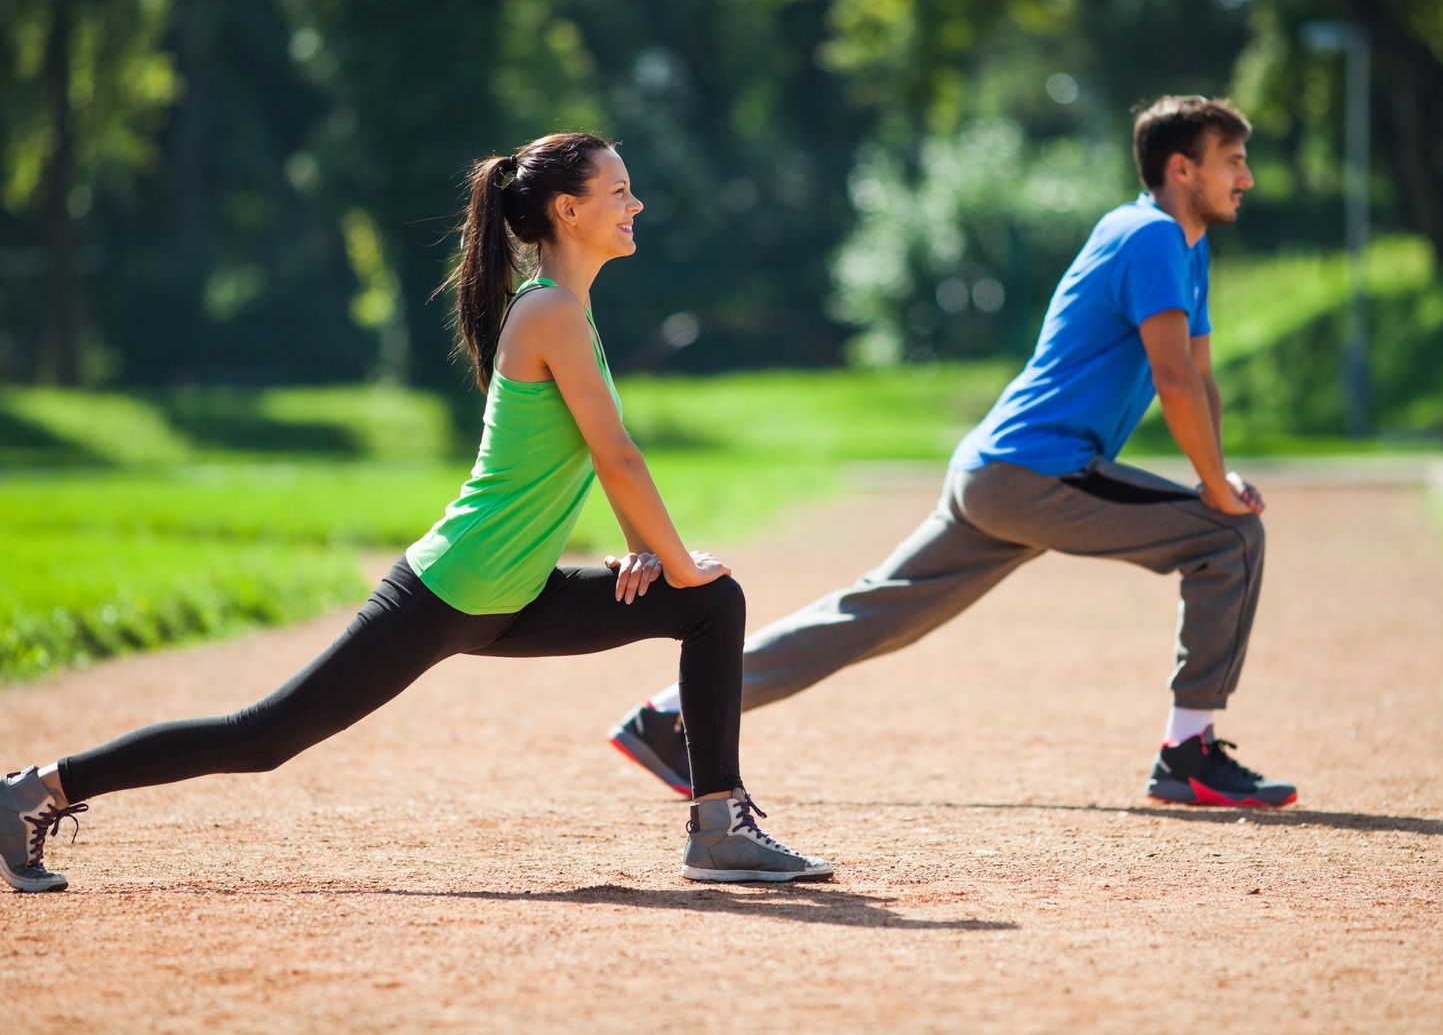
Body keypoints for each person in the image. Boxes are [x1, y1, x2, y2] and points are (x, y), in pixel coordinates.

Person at [1, 132, 831, 893]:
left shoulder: (566, 311)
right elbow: (618, 457)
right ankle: (34, 790)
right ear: (568, 210)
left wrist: (644, 552)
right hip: (454, 587)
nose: (635, 203)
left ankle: (717, 828)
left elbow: (590, 456)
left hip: (513, 594)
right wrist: (674, 557)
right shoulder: (549, 312)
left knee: (711, 605)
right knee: (262, 738)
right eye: (620, 190)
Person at [609, 96, 1297, 809]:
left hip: (999, 471)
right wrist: (1216, 491)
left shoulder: (1184, 247)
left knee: (870, 614)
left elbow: (1202, 377)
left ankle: (668, 717)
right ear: (1182, 169)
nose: (1245, 178)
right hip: (1038, 471)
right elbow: (1174, 379)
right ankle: (1188, 751)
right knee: (1231, 538)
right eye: (1234, 162)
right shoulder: (1150, 235)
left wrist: (1216, 474)